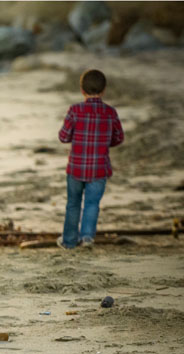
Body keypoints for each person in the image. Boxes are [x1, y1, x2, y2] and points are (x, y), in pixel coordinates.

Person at [57, 69, 124, 249]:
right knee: (92, 204)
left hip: (76, 168)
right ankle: (87, 237)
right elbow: (118, 137)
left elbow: (63, 137)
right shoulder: (110, 112)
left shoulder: (75, 110)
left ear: (82, 90)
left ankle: (69, 241)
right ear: (103, 90)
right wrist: (102, 142)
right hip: (99, 167)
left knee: (73, 204)